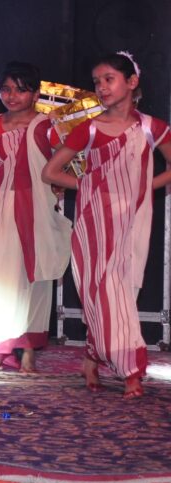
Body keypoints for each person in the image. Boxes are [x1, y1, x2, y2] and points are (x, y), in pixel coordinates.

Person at [42, 52, 171, 399]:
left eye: (109, 79)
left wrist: (142, 188)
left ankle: (91, 357)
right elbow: (50, 172)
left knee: (120, 291)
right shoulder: (88, 128)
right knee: (104, 291)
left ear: (132, 82)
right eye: (97, 81)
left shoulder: (152, 128)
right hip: (94, 222)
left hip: (134, 219)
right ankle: (132, 372)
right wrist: (90, 186)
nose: (101, 87)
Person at [0, 62, 71, 372]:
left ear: (36, 93)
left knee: (32, 272)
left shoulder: (46, 125)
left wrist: (55, 183)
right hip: (2, 202)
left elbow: (65, 158)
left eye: (20, 89)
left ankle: (27, 347)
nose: (12, 96)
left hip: (36, 204)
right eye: (6, 89)